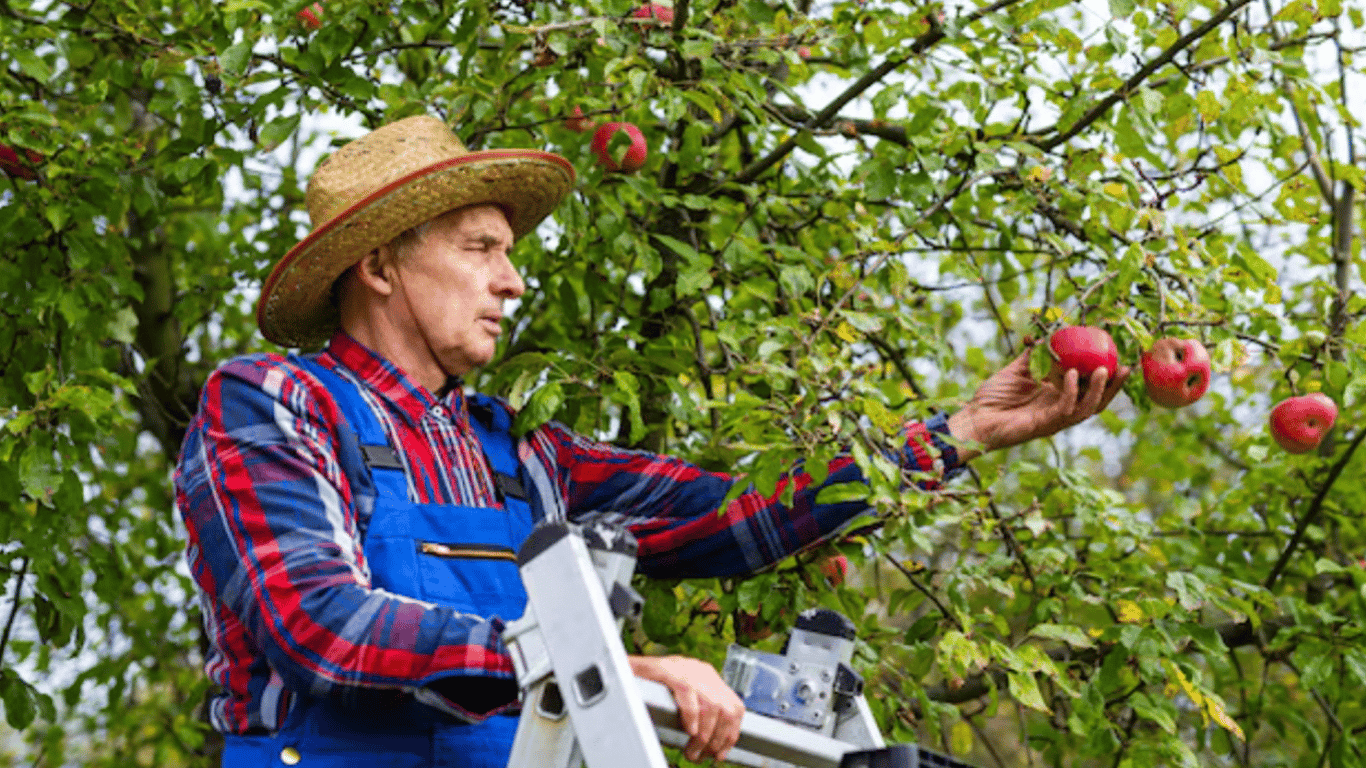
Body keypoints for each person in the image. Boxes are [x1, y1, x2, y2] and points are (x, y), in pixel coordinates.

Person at [174, 114, 1128, 768]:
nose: (511, 282)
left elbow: (743, 514)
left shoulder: (526, 458)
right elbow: (323, 628)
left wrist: (959, 432)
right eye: (479, 249)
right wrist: (598, 667)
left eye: (511, 254)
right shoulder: (272, 404)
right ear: (379, 265)